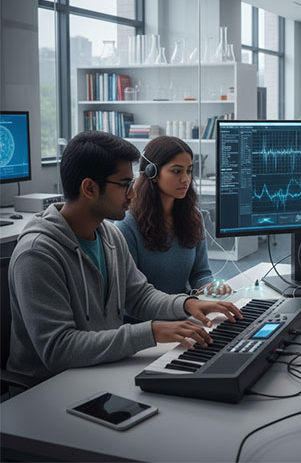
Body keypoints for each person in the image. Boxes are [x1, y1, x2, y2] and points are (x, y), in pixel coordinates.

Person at [7, 131, 242, 383]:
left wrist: (186, 304)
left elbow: (139, 295)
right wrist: (151, 331)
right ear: (89, 188)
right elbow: (58, 349)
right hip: (47, 387)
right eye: (124, 184)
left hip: (102, 368)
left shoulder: (108, 235)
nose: (132, 193)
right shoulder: (37, 254)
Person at [115, 136, 231, 298]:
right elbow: (131, 294)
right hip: (148, 320)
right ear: (152, 172)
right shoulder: (127, 225)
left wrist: (210, 286)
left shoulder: (193, 216)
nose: (186, 179)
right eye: (176, 171)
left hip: (183, 312)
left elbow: (200, 273)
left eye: (189, 171)